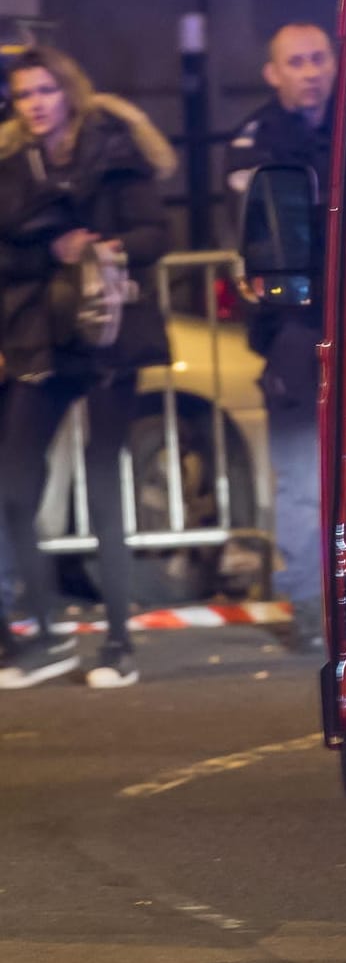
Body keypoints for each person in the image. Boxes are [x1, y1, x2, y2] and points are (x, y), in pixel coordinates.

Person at [0, 47, 175, 688]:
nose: (36, 103)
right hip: (40, 337)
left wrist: (105, 247)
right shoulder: (10, 165)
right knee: (14, 486)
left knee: (105, 484)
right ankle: (44, 633)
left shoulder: (114, 151)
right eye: (23, 95)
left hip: (108, 334)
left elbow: (159, 235)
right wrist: (50, 246)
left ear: (68, 91)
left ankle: (119, 643)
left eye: (45, 90)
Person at [226, 22, 335, 643]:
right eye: (296, 62)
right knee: (300, 471)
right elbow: (270, 231)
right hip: (293, 325)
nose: (311, 71)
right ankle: (311, 606)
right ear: (274, 73)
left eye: (319, 58)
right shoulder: (257, 140)